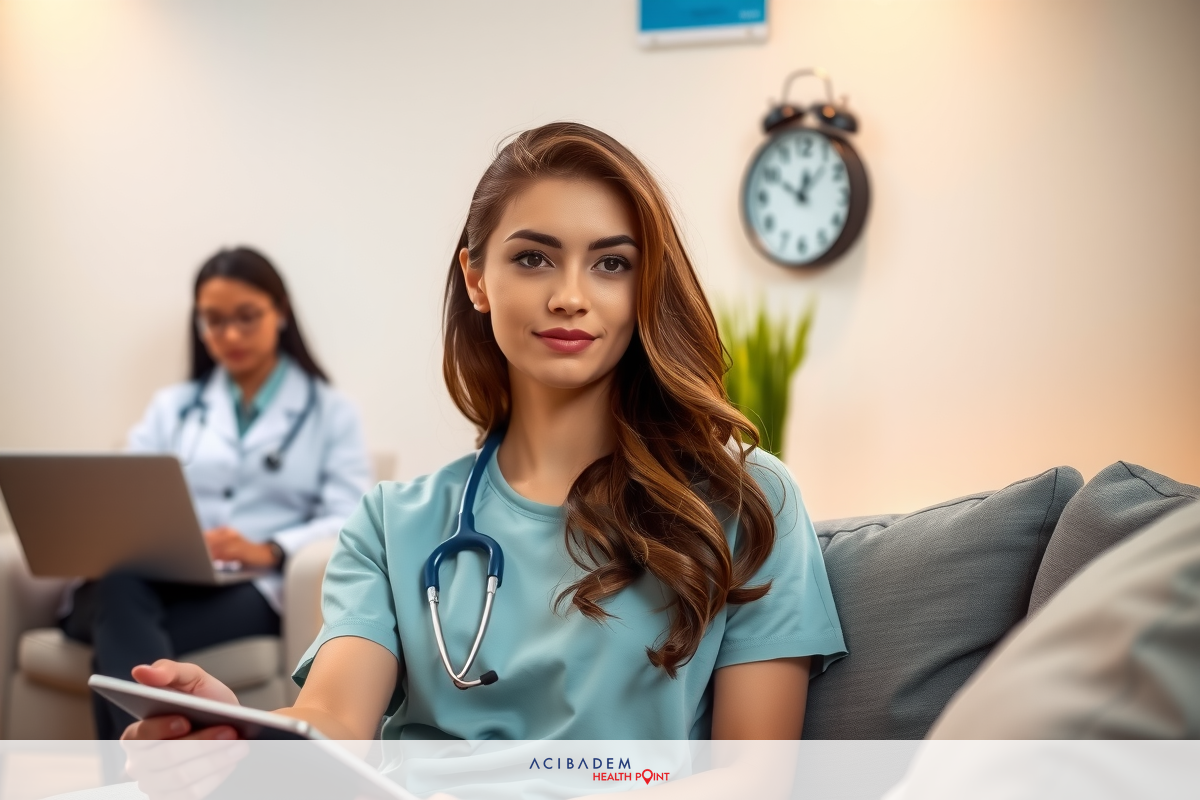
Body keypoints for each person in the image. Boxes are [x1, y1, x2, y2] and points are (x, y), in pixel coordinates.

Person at [124, 124, 846, 751]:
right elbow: (333, 722)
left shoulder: (745, 503)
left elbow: (751, 780)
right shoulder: (391, 524)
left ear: (645, 285)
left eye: (611, 263)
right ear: (476, 277)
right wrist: (240, 736)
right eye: (533, 258)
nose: (569, 294)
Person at [62, 246, 372, 739]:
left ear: (281, 313)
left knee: (117, 624)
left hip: (248, 590)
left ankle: (133, 775)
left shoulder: (331, 412)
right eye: (213, 321)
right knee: (121, 587)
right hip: (157, 580)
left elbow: (351, 516)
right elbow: (121, 491)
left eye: (246, 318)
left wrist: (269, 549)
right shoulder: (175, 407)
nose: (229, 336)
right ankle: (158, 773)